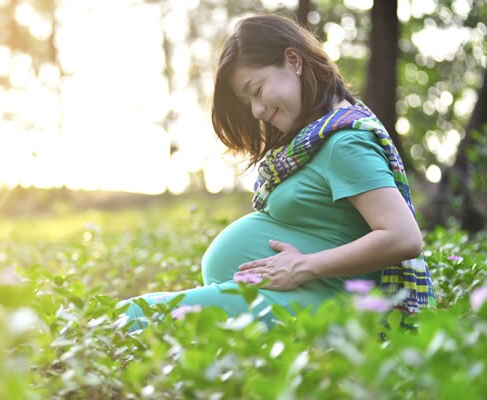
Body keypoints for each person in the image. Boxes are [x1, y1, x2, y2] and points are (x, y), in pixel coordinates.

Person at [119, 14, 435, 332]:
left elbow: (404, 237)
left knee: (134, 316)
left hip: (325, 309)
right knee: (138, 319)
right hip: (299, 301)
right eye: (248, 102)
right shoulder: (313, 140)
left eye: (256, 90)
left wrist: (303, 266)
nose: (256, 110)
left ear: (293, 61)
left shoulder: (344, 142)